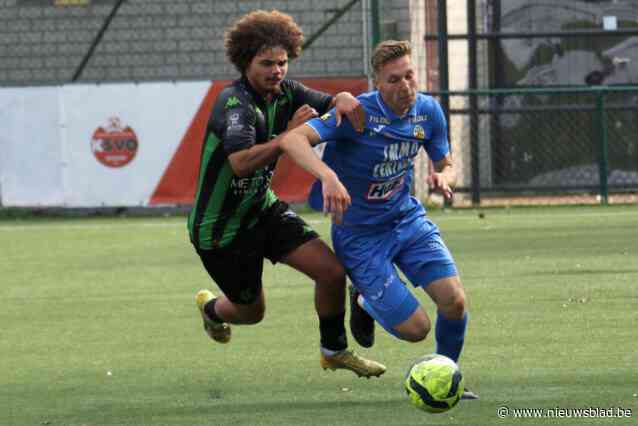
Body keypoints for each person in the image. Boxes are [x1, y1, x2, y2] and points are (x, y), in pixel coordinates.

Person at [187, 9, 385, 378]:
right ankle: (213, 310)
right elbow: (242, 163)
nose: (276, 71)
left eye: (282, 62)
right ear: (246, 61)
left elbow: (330, 103)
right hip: (221, 230)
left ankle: (334, 350)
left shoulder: (287, 92)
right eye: (267, 63)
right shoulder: (234, 103)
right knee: (252, 313)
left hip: (262, 210)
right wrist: (287, 137)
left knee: (330, 272)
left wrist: (343, 96)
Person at [279, 40, 478, 399]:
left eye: (409, 76)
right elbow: (293, 142)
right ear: (378, 83)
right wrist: (328, 176)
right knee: (416, 329)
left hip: (406, 221)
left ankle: (448, 376)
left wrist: (444, 178)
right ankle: (363, 300)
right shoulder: (357, 113)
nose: (404, 86)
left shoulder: (429, 111)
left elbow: (445, 163)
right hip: (360, 237)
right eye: (393, 79)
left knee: (455, 302)